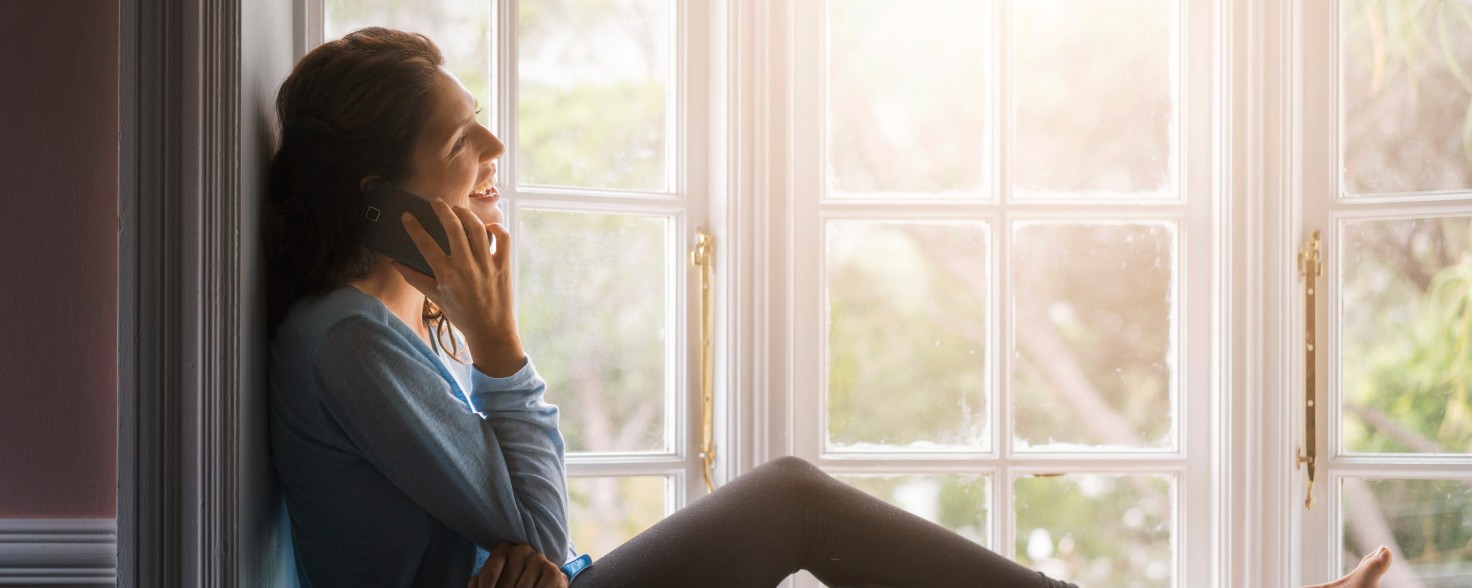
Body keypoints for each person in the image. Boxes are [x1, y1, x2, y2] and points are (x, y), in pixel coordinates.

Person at [266, 27, 1395, 588]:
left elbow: (530, 547)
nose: (496, 147)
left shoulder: (394, 320)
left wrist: (515, 525)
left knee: (796, 500)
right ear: (378, 183)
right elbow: (547, 545)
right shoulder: (346, 338)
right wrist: (506, 350)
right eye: (461, 136)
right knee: (793, 499)